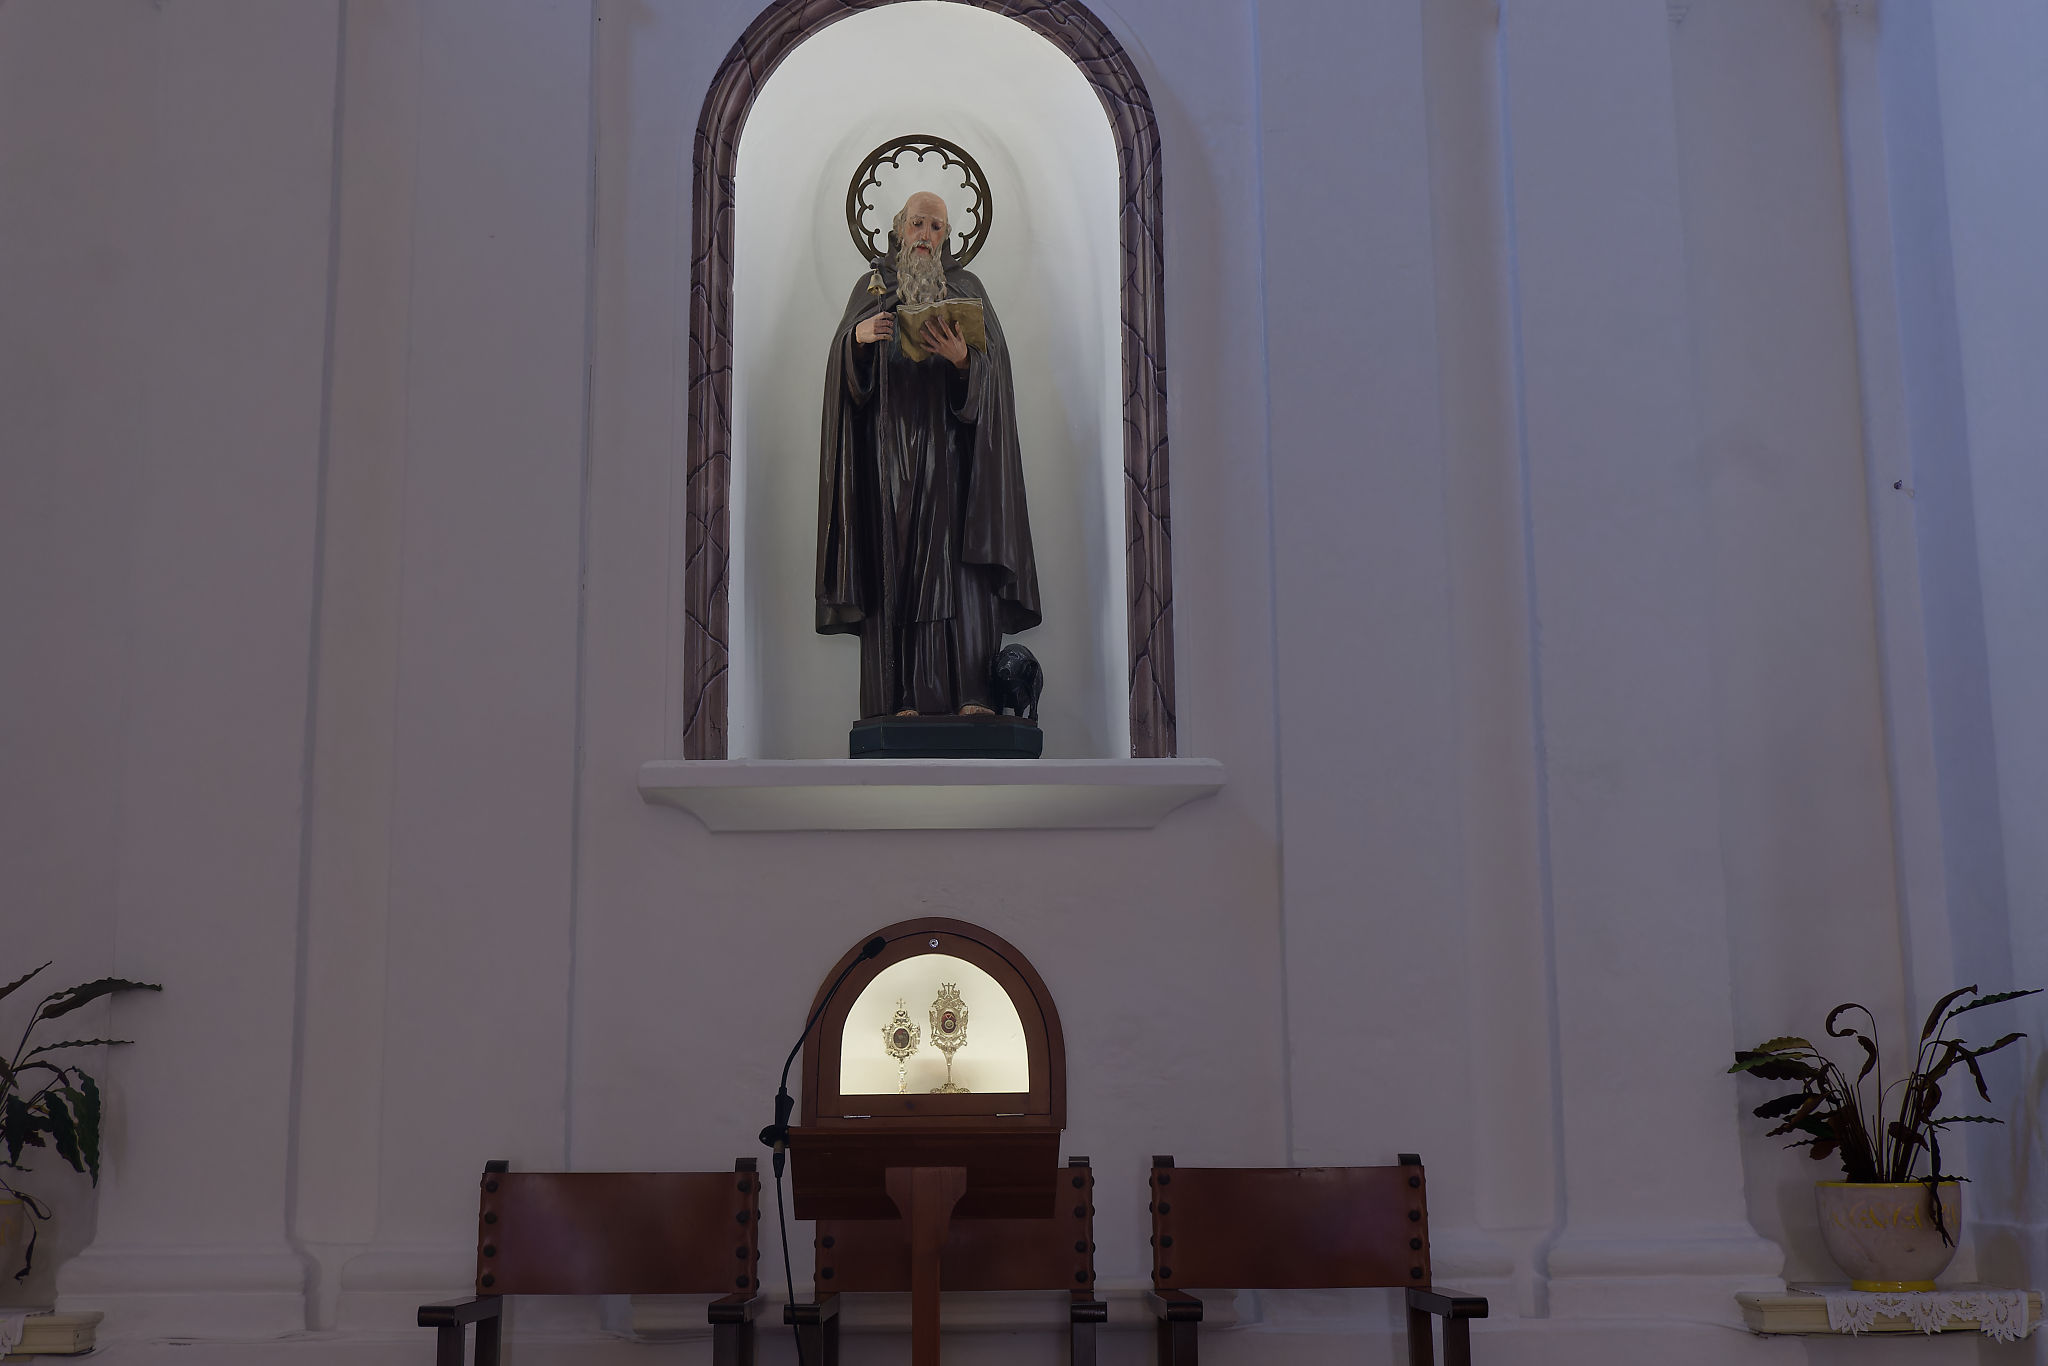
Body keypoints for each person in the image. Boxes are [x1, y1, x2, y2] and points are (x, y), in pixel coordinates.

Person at [816, 190, 1040, 719]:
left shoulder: (967, 289)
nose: (926, 236)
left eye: (937, 227)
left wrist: (964, 362)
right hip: (889, 462)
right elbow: (844, 383)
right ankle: (899, 700)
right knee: (897, 570)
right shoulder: (872, 288)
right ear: (899, 229)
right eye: (918, 224)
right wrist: (858, 340)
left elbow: (995, 381)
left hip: (957, 464)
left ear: (947, 236)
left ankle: (973, 695)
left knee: (961, 575)